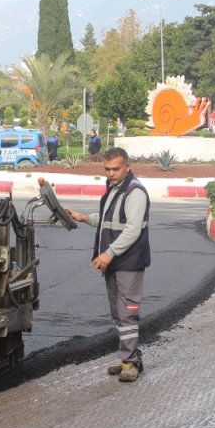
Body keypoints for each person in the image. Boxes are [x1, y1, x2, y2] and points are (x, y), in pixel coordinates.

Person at [64, 148, 150, 382]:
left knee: (128, 313)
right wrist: (84, 218)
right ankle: (128, 359)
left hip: (128, 263)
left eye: (116, 169)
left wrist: (108, 254)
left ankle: (130, 362)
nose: (111, 173)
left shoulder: (135, 192)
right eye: (107, 169)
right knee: (118, 313)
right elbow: (109, 220)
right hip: (114, 263)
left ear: (127, 166)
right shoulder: (114, 189)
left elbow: (132, 230)